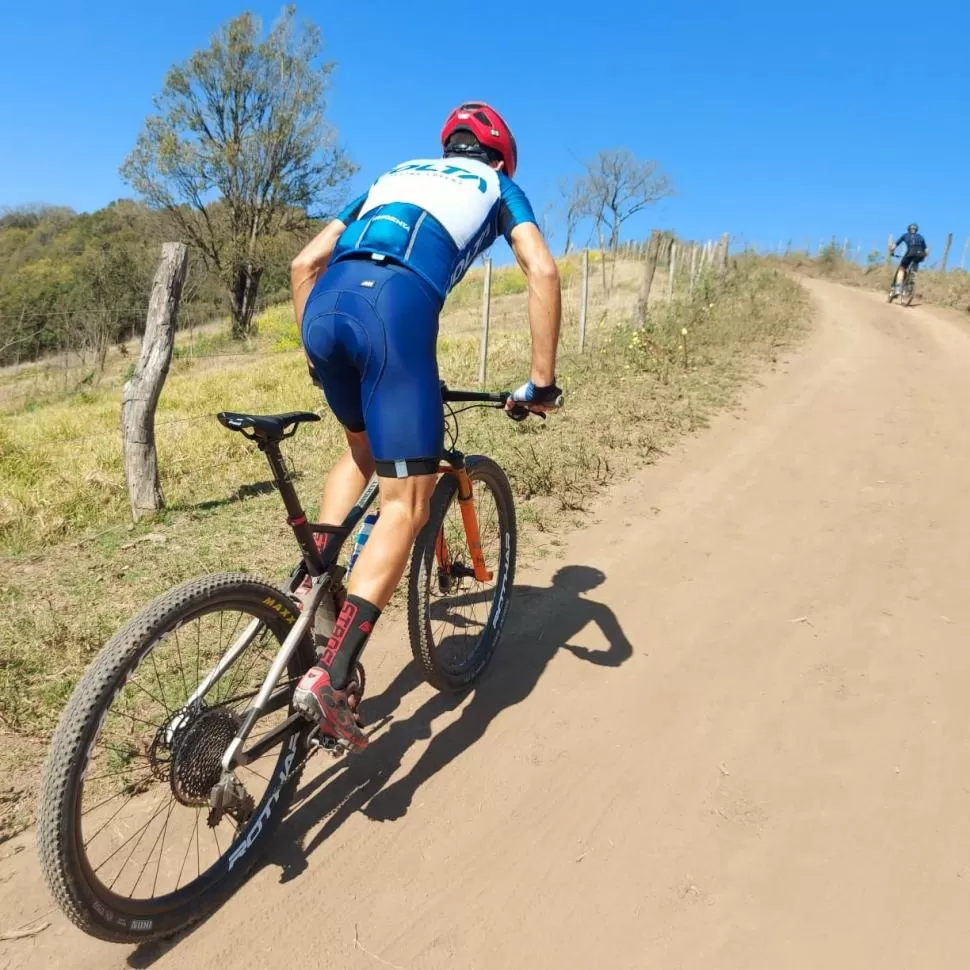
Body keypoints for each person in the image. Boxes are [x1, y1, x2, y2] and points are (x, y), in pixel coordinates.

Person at [288, 102, 563, 749]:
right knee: (404, 505)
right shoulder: (497, 185)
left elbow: (304, 264)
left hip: (326, 312)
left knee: (361, 447)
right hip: (396, 313)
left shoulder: (391, 176)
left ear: (447, 147)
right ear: (499, 156)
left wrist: (316, 358)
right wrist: (542, 383)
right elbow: (543, 270)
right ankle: (330, 675)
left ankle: (314, 585)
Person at [890, 223, 928, 293]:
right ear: (916, 230)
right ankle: (910, 284)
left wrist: (891, 252)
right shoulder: (921, 237)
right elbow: (926, 250)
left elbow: (895, 245)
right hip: (920, 254)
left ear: (908, 229)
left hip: (910, 253)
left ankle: (898, 287)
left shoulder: (905, 235)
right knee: (914, 268)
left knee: (902, 269)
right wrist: (924, 258)